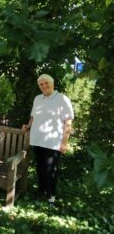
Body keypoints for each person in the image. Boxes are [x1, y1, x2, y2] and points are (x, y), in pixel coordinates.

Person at [22, 74, 74, 207]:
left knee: (51, 169)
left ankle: (51, 197)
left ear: (53, 83)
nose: (44, 86)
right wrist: (28, 126)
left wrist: (64, 142)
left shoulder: (62, 98)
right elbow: (33, 116)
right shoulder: (37, 98)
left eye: (46, 83)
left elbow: (67, 122)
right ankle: (42, 192)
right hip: (37, 139)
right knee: (40, 167)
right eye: (41, 84)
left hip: (53, 142)